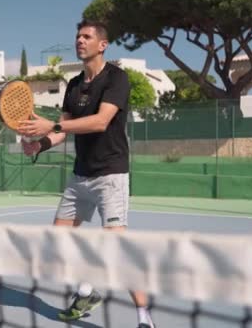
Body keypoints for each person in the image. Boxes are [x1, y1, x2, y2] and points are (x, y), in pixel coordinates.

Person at [16, 19, 155, 328]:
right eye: (77, 36)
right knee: (58, 241)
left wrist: (51, 125)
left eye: (86, 36)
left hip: (111, 175)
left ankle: (144, 317)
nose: (79, 40)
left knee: (118, 249)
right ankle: (87, 292)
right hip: (80, 177)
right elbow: (63, 131)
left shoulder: (116, 78)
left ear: (101, 45)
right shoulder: (75, 85)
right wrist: (39, 144)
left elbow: (100, 122)